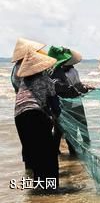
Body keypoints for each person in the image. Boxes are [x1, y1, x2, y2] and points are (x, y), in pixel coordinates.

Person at [14, 50, 60, 189]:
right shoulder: (46, 80)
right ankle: (51, 189)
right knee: (49, 155)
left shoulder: (23, 82)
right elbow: (55, 106)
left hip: (19, 117)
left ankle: (37, 188)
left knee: (33, 153)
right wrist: (55, 119)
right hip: (35, 114)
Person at [10, 38, 47, 169]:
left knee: (28, 147)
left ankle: (31, 180)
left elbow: (18, 89)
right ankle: (41, 184)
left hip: (19, 110)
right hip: (34, 110)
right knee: (40, 150)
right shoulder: (26, 68)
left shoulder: (15, 68)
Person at [48, 46, 82, 155]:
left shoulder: (54, 70)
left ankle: (55, 152)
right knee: (67, 130)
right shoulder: (56, 71)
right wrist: (72, 90)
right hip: (60, 105)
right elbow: (56, 85)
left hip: (58, 105)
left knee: (59, 130)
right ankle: (72, 152)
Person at [62, 49, 94, 144]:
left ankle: (73, 149)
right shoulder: (73, 71)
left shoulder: (59, 73)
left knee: (71, 127)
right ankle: (87, 145)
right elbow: (78, 86)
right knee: (82, 125)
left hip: (65, 104)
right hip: (76, 103)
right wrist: (86, 88)